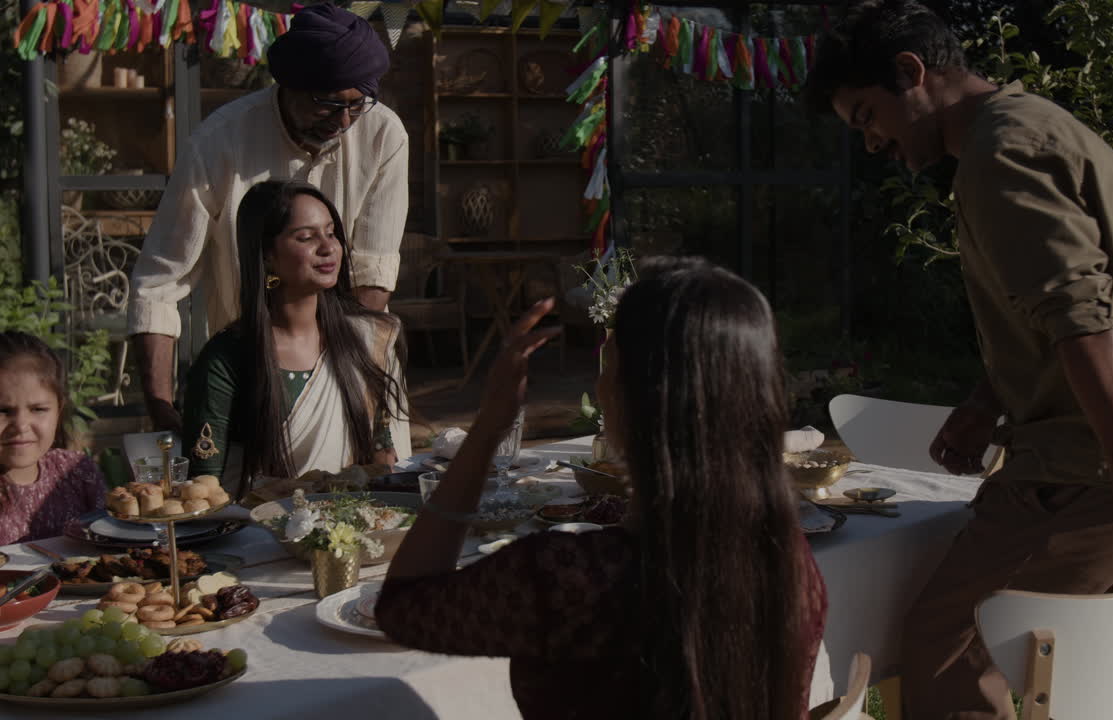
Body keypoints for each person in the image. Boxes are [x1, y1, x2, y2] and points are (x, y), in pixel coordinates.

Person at [808, 2, 1113, 717]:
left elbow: (1084, 323)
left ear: (911, 73)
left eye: (867, 118)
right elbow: (1061, 313)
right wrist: (990, 398)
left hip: (1101, 466)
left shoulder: (1000, 154)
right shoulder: (1029, 124)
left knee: (944, 636)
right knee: (1082, 665)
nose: (874, 143)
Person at [376, 258, 827, 720]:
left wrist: (489, 426)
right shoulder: (790, 566)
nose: (598, 379)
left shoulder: (568, 578)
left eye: (608, 363)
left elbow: (400, 606)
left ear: (632, 401)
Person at [128, 1, 410, 433]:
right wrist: (162, 409)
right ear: (288, 84)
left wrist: (337, 386)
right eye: (328, 104)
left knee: (372, 495)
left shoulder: (383, 134)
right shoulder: (219, 143)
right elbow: (159, 287)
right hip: (250, 379)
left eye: (357, 106)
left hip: (356, 369)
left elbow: (372, 272)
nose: (343, 121)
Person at [182, 180, 411, 501]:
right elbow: (202, 492)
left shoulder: (366, 338)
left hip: (353, 529)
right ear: (267, 256)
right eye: (306, 237)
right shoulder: (228, 358)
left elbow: (382, 455)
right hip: (256, 539)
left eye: (331, 233)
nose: (328, 247)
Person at [0, 332, 106, 545]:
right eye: (3, 410)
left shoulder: (76, 472)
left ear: (59, 410)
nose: (21, 425)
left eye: (38, 409)